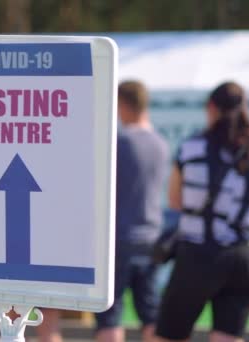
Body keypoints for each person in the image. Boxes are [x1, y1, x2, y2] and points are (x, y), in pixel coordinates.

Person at [155, 81, 249, 342]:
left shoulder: (193, 147)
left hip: (198, 253)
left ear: (211, 108)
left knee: (169, 335)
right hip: (241, 256)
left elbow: (175, 200)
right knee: (227, 336)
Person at [95, 80, 169, 342]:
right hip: (150, 237)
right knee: (150, 315)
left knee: (109, 314)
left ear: (123, 104)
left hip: (118, 238)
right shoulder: (161, 144)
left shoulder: (120, 143)